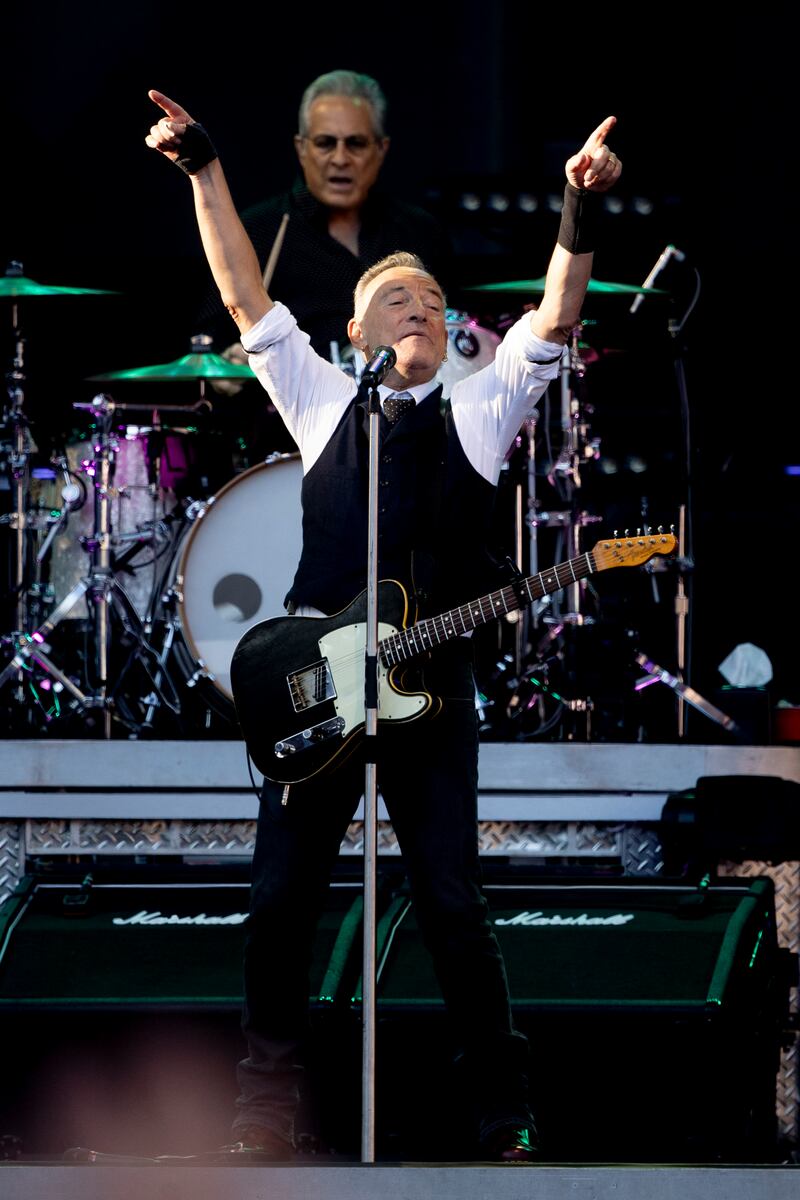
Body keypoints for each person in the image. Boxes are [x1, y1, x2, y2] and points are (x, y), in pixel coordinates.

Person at [145, 87, 622, 1162]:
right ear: (353, 329)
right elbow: (243, 298)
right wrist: (204, 172)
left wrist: (575, 213)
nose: (416, 305)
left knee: (452, 900)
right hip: (316, 679)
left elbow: (554, 316)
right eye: (393, 296)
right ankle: (260, 1110)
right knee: (279, 902)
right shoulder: (319, 399)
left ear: (450, 330)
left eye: (429, 297)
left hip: (431, 685)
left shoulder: (479, 407)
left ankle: (501, 1107)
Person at [196, 69, 451, 366]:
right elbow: (207, 348)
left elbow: (456, 332)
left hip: (405, 406)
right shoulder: (257, 231)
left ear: (381, 150)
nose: (340, 159)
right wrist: (230, 358)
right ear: (302, 149)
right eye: (325, 143)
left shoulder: (420, 231)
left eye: (355, 143)